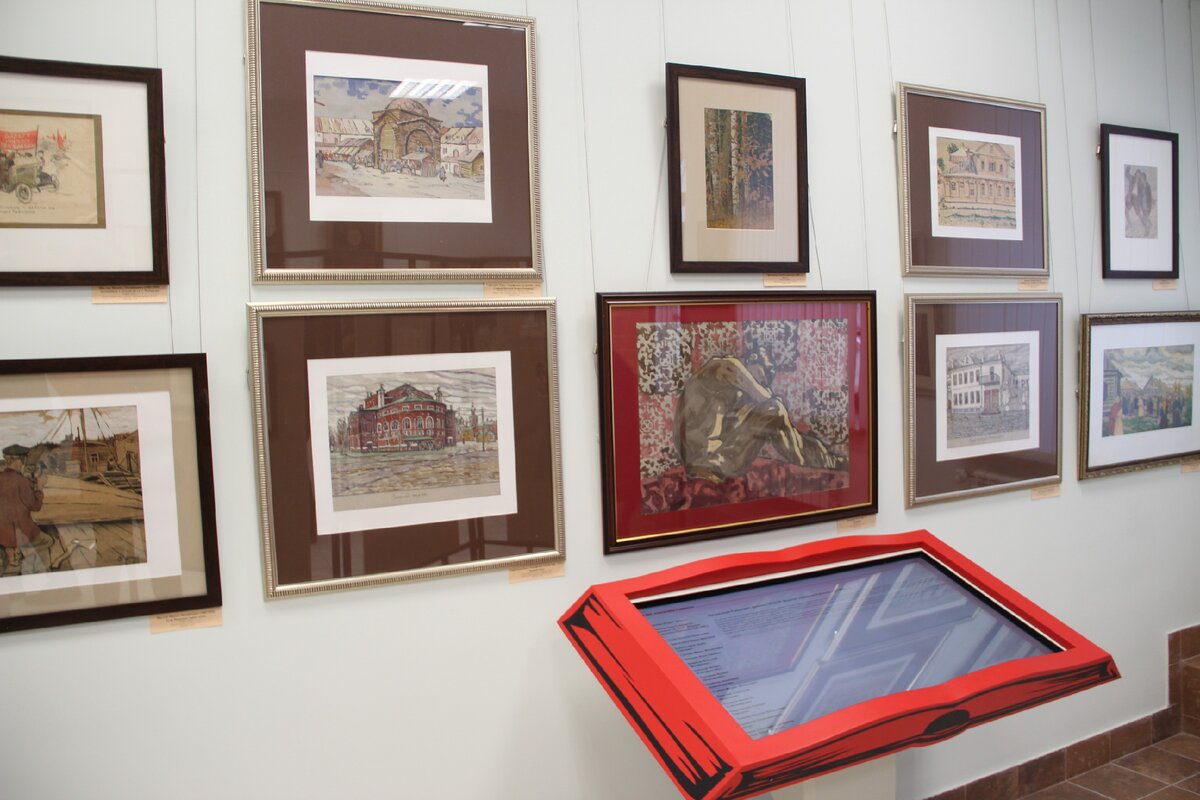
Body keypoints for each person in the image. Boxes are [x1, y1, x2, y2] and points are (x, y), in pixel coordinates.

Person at [673, 349, 846, 483]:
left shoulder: (729, 395)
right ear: (753, 359)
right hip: (707, 463)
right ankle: (826, 462)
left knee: (776, 419)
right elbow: (763, 397)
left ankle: (826, 459)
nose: (768, 378)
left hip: (706, 461)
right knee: (774, 409)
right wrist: (768, 398)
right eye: (767, 370)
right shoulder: (723, 365)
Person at [0, 444, 52, 574]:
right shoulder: (21, 480)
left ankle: (13, 554)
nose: (23, 463)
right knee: (48, 541)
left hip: (2, 532)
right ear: (18, 460)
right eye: (23, 460)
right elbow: (35, 506)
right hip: (20, 531)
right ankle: (23, 556)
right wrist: (39, 488)